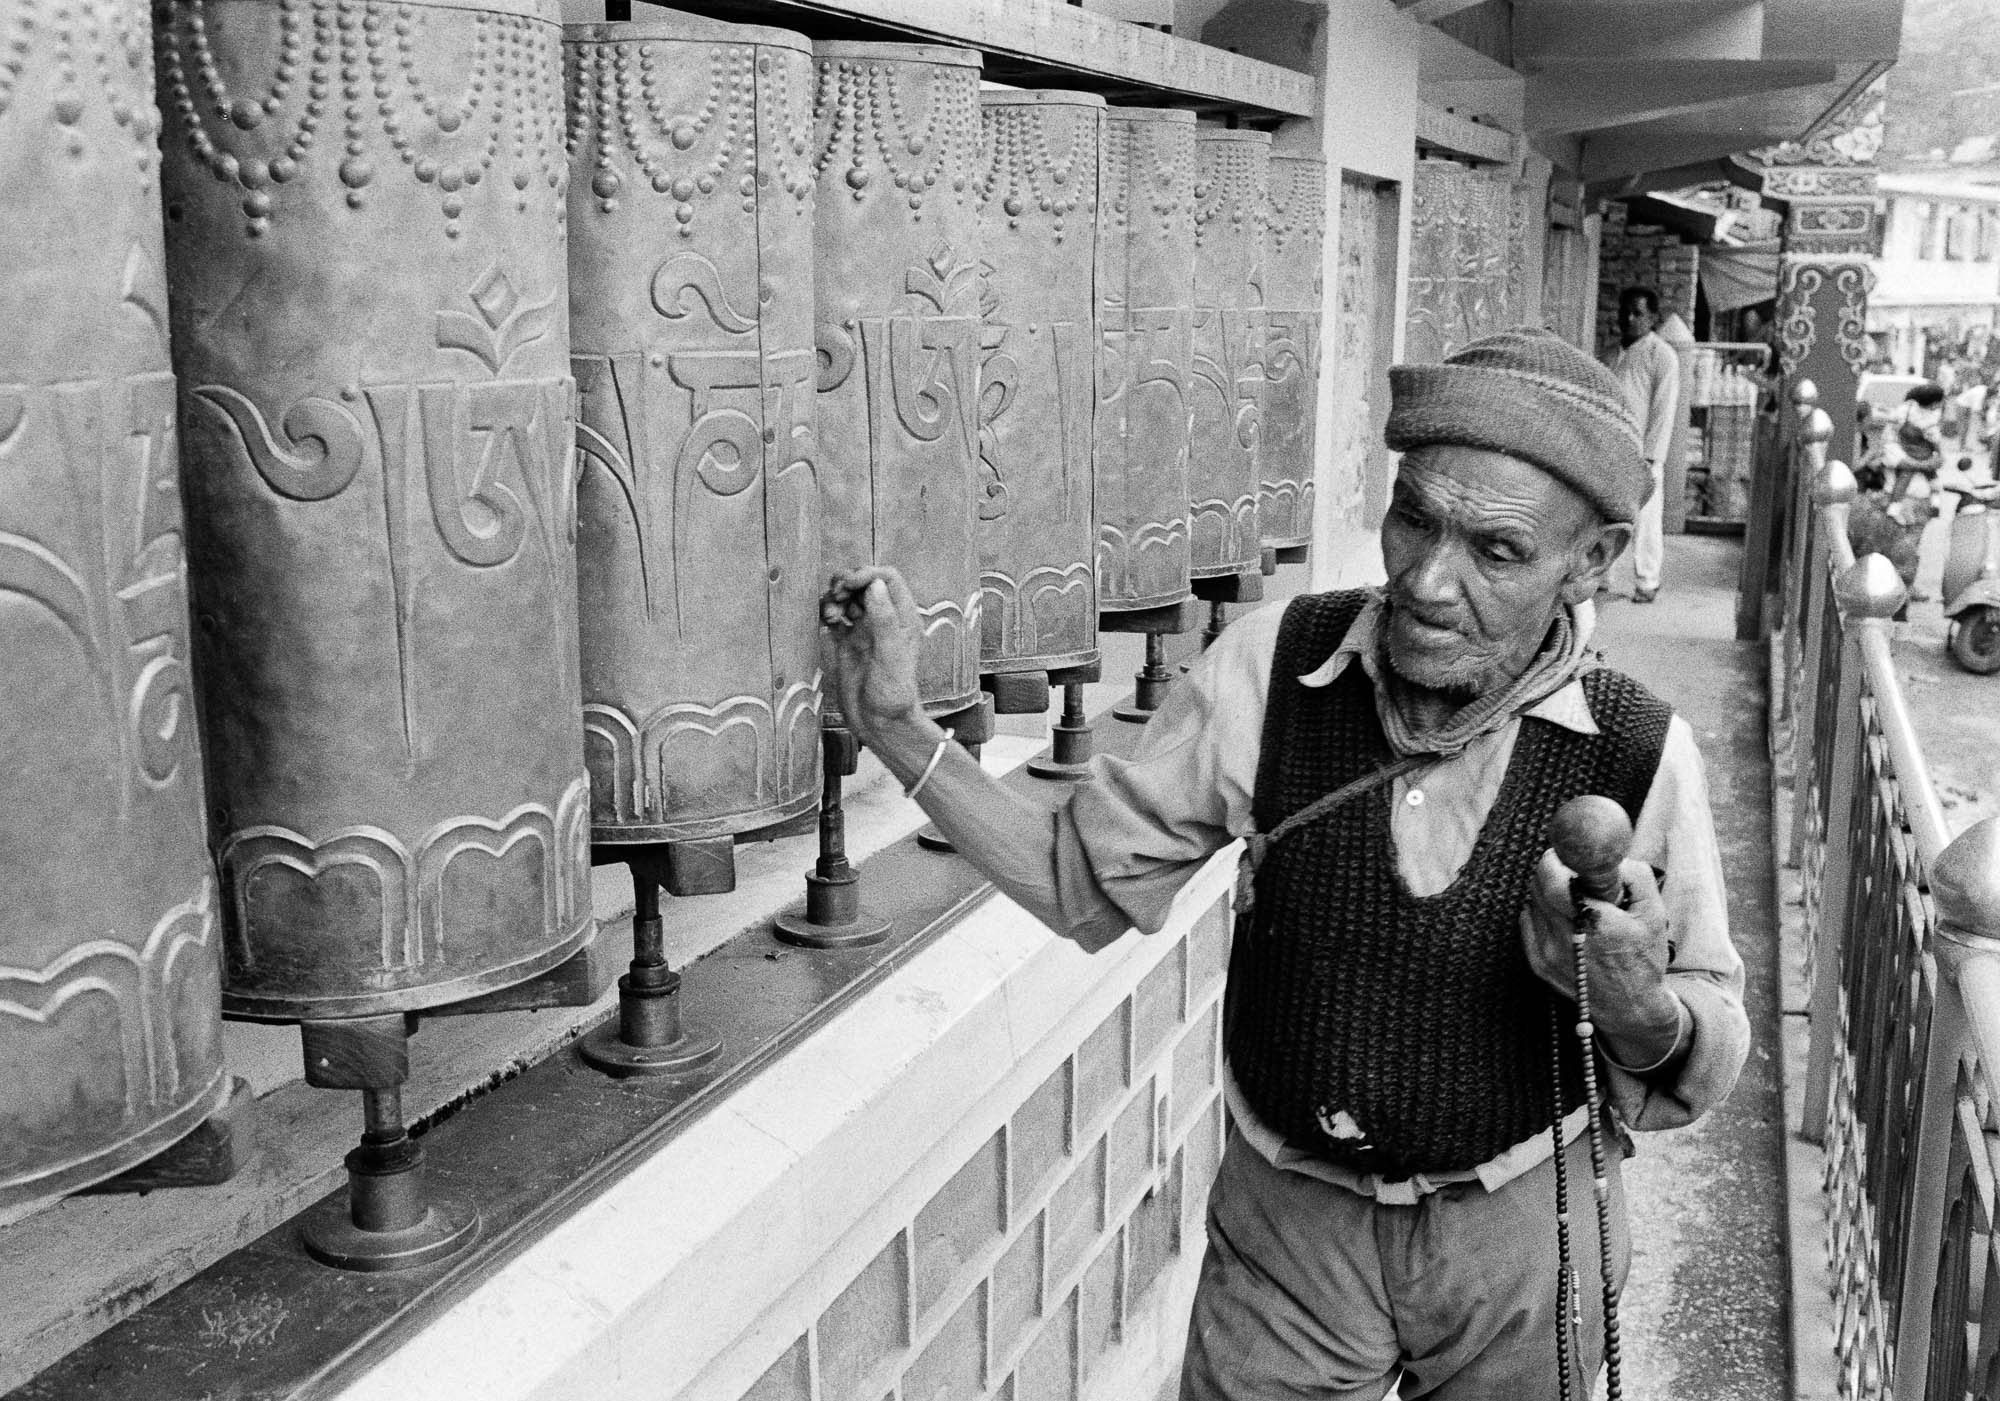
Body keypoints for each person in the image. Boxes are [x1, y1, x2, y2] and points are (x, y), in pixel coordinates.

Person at [821, 327, 1749, 1400]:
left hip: (1524, 1235)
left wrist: (1635, 1006)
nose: (1428, 581)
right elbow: (1078, 885)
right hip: (1289, 1235)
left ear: (1590, 560)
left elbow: (1707, 1039)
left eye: (1495, 552)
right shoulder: (1273, 669)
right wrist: (895, 727)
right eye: (1413, 519)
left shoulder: (1636, 750)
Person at [1608, 287, 1681, 602]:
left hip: (1643, 453)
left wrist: (1651, 457)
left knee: (1646, 521)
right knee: (1607, 516)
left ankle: (1648, 581)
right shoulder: (1612, 353)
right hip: (1611, 449)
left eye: (1637, 313)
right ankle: (1601, 576)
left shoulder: (1661, 355)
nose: (1629, 318)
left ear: (1652, 318)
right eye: (1625, 311)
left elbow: (1664, 410)